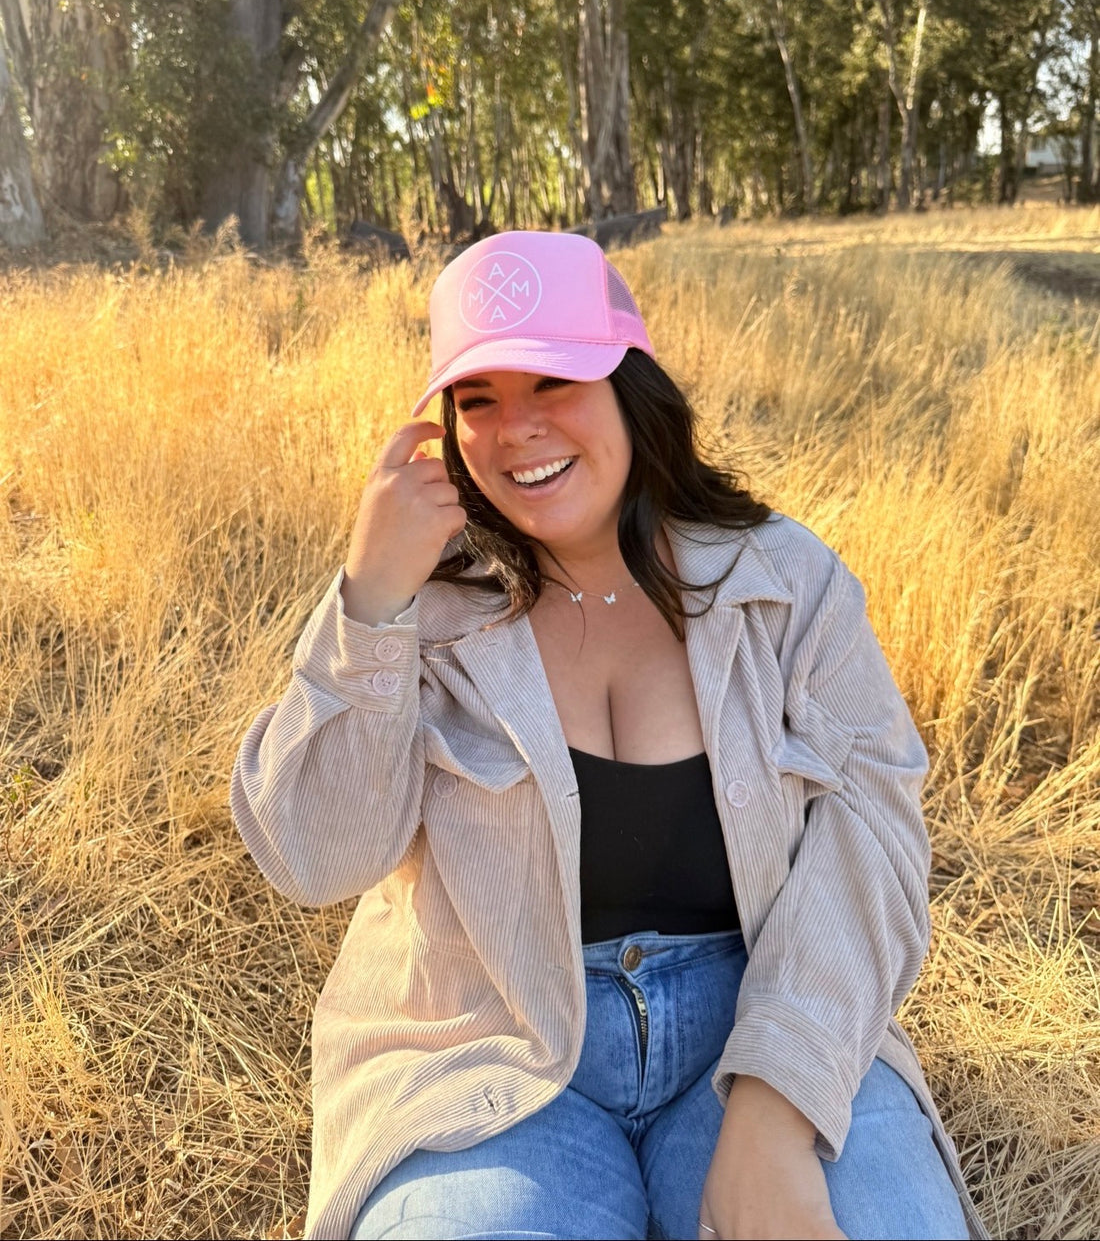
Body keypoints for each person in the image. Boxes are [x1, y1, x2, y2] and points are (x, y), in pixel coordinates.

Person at [231, 230, 984, 1241]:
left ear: (630, 383)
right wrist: (369, 600)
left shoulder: (784, 584)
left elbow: (875, 842)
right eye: (476, 398)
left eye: (554, 380)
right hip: (485, 1043)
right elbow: (317, 858)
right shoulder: (419, 609)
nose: (516, 430)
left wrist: (773, 1108)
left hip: (755, 1014)